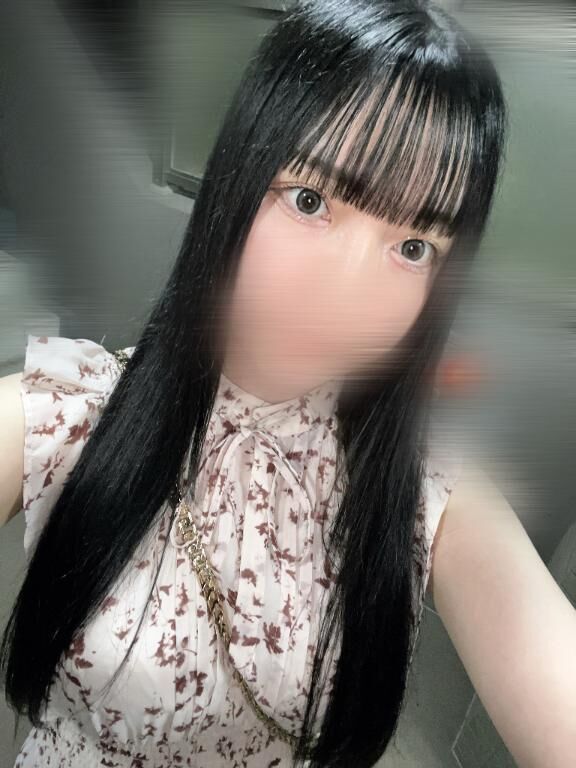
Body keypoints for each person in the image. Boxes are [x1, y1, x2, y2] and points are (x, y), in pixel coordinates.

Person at [1, 1, 574, 766]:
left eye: (413, 246)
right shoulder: (68, 411)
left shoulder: (428, 492)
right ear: (237, 182)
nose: (347, 294)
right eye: (311, 201)